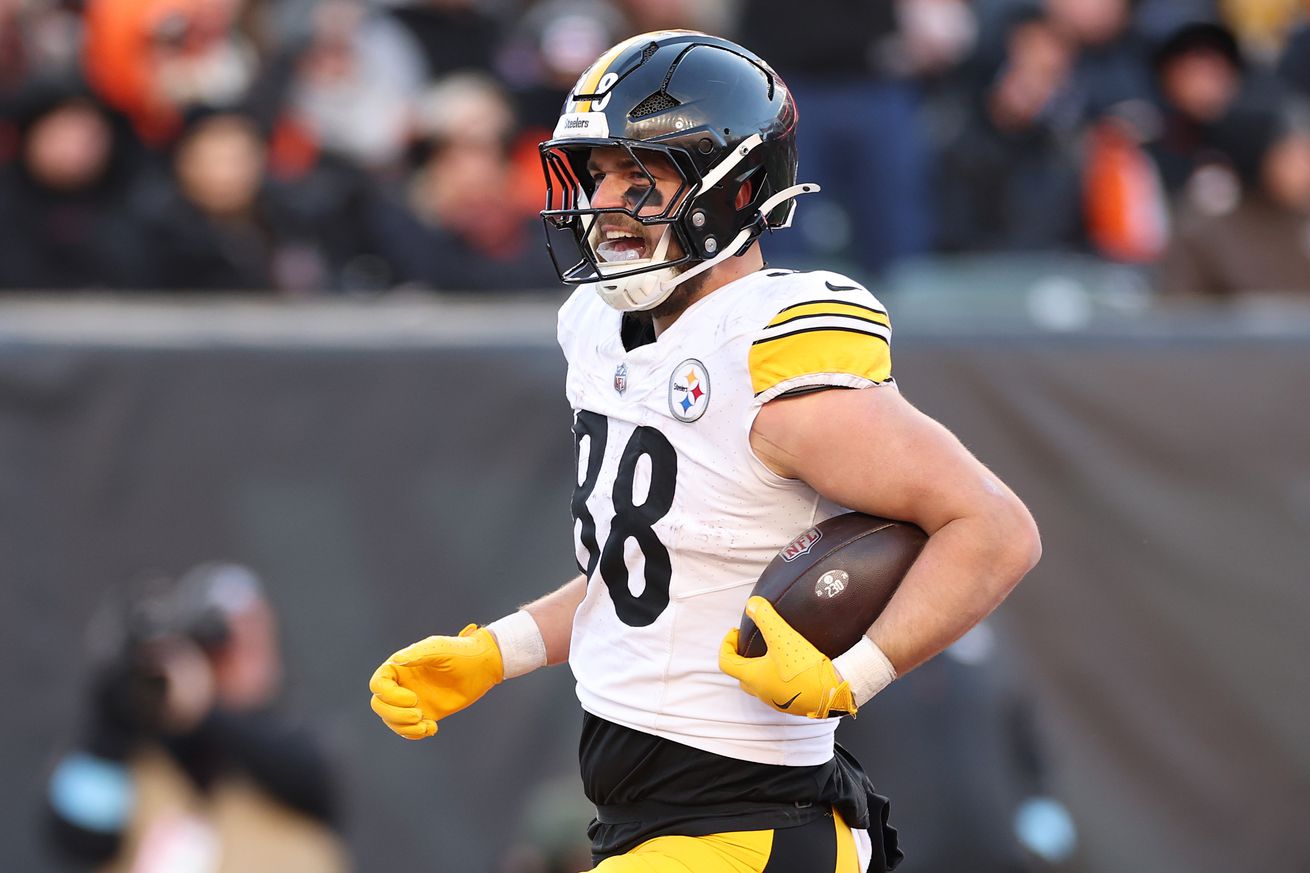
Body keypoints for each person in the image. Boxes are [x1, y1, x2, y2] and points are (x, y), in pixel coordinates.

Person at [369, 30, 1042, 872]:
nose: (605, 200)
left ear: (736, 188)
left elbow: (995, 526)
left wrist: (858, 672)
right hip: (649, 819)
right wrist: (496, 651)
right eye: (597, 173)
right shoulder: (600, 332)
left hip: (745, 823)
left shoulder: (768, 352)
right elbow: (652, 570)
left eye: (638, 178)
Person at [47, 563, 345, 872]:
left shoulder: (291, 746)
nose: (243, 654)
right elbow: (77, 839)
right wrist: (110, 721)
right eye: (224, 640)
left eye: (255, 635)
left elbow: (316, 784)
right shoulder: (141, 758)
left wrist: (203, 706)